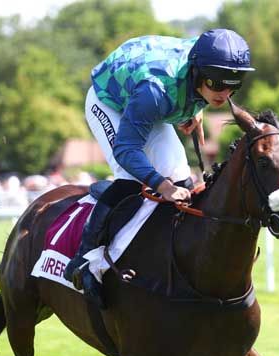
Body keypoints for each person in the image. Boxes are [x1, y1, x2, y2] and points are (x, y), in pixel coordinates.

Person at [63, 29, 255, 306]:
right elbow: (126, 150)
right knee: (131, 178)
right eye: (217, 85)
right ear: (199, 74)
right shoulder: (156, 91)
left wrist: (194, 107)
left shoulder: (206, 70)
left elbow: (200, 83)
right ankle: (84, 260)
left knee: (182, 180)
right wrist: (161, 186)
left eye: (233, 85)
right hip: (110, 101)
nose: (225, 95)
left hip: (149, 97)